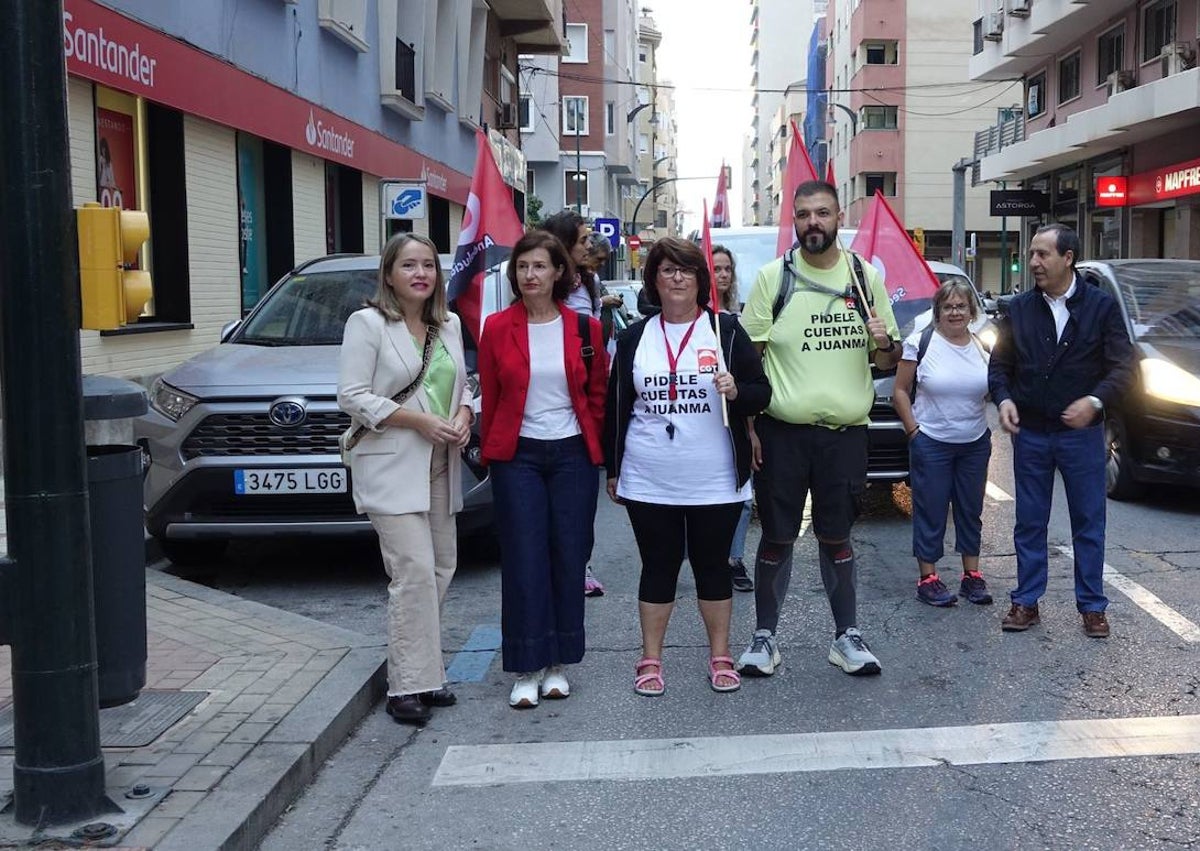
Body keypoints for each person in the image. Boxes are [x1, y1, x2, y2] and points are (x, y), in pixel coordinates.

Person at [736, 179, 901, 678]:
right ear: (796, 219)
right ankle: (764, 639)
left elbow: (888, 356)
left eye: (823, 213)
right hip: (783, 434)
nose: (813, 223)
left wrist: (882, 342)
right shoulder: (772, 278)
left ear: (837, 218)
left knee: (837, 536)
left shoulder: (864, 278)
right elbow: (750, 362)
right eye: (804, 214)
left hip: (846, 436)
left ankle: (846, 637)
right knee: (777, 538)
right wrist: (749, 428)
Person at [604, 237, 771, 697]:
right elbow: (616, 407)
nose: (676, 278)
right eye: (666, 270)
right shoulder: (633, 337)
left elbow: (763, 393)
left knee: (712, 567)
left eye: (686, 270)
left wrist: (736, 391)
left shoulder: (726, 331)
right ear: (653, 280)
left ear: (701, 280)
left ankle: (720, 656)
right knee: (658, 567)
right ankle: (651, 658)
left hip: (714, 479)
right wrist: (612, 468)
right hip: (649, 476)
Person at [337, 233, 473, 726]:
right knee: (412, 570)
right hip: (392, 461)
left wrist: (463, 414)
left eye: (429, 266)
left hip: (441, 460)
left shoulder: (449, 325)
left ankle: (425, 672)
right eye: (409, 265)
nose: (421, 274)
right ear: (390, 274)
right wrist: (417, 421)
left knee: (441, 567)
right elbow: (351, 396)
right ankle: (406, 685)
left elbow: (465, 384)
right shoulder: (368, 324)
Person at [478, 230, 608, 708]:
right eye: (522, 267)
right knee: (523, 559)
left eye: (539, 266)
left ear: (559, 273)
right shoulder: (497, 327)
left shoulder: (584, 329)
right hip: (519, 457)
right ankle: (527, 666)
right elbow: (491, 396)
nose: (529, 275)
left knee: (568, 557)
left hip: (572, 455)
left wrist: (598, 452)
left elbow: (597, 395)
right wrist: (490, 453)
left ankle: (558, 664)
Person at [988, 223, 1133, 637]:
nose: (1033, 262)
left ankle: (1092, 607)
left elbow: (1124, 367)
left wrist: (1095, 401)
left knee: (1088, 520)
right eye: (1032, 254)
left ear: (1067, 258)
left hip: (1082, 436)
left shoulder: (1101, 308)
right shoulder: (1019, 309)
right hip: (1031, 432)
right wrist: (1005, 399)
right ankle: (1026, 601)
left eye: (1042, 254)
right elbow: (999, 368)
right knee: (1029, 521)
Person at [892, 280, 993, 607]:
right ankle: (928, 578)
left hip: (974, 442)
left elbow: (989, 391)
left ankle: (971, 576)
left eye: (961, 306)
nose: (955, 312)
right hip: (932, 442)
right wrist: (913, 433)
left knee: (970, 509)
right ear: (938, 312)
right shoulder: (919, 343)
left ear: (971, 311)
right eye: (948, 306)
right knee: (931, 509)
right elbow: (899, 391)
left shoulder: (981, 347)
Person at [542, 211, 615, 597]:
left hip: (585, 395)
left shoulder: (588, 282)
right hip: (550, 393)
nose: (590, 244)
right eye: (583, 239)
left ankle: (579, 563)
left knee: (581, 500)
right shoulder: (544, 286)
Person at [712, 245, 754, 593]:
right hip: (701, 422)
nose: (722, 275)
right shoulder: (692, 317)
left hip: (735, 417)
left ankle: (734, 559)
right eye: (715, 268)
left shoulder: (737, 318)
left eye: (727, 269)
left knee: (743, 496)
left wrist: (752, 431)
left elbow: (751, 377)